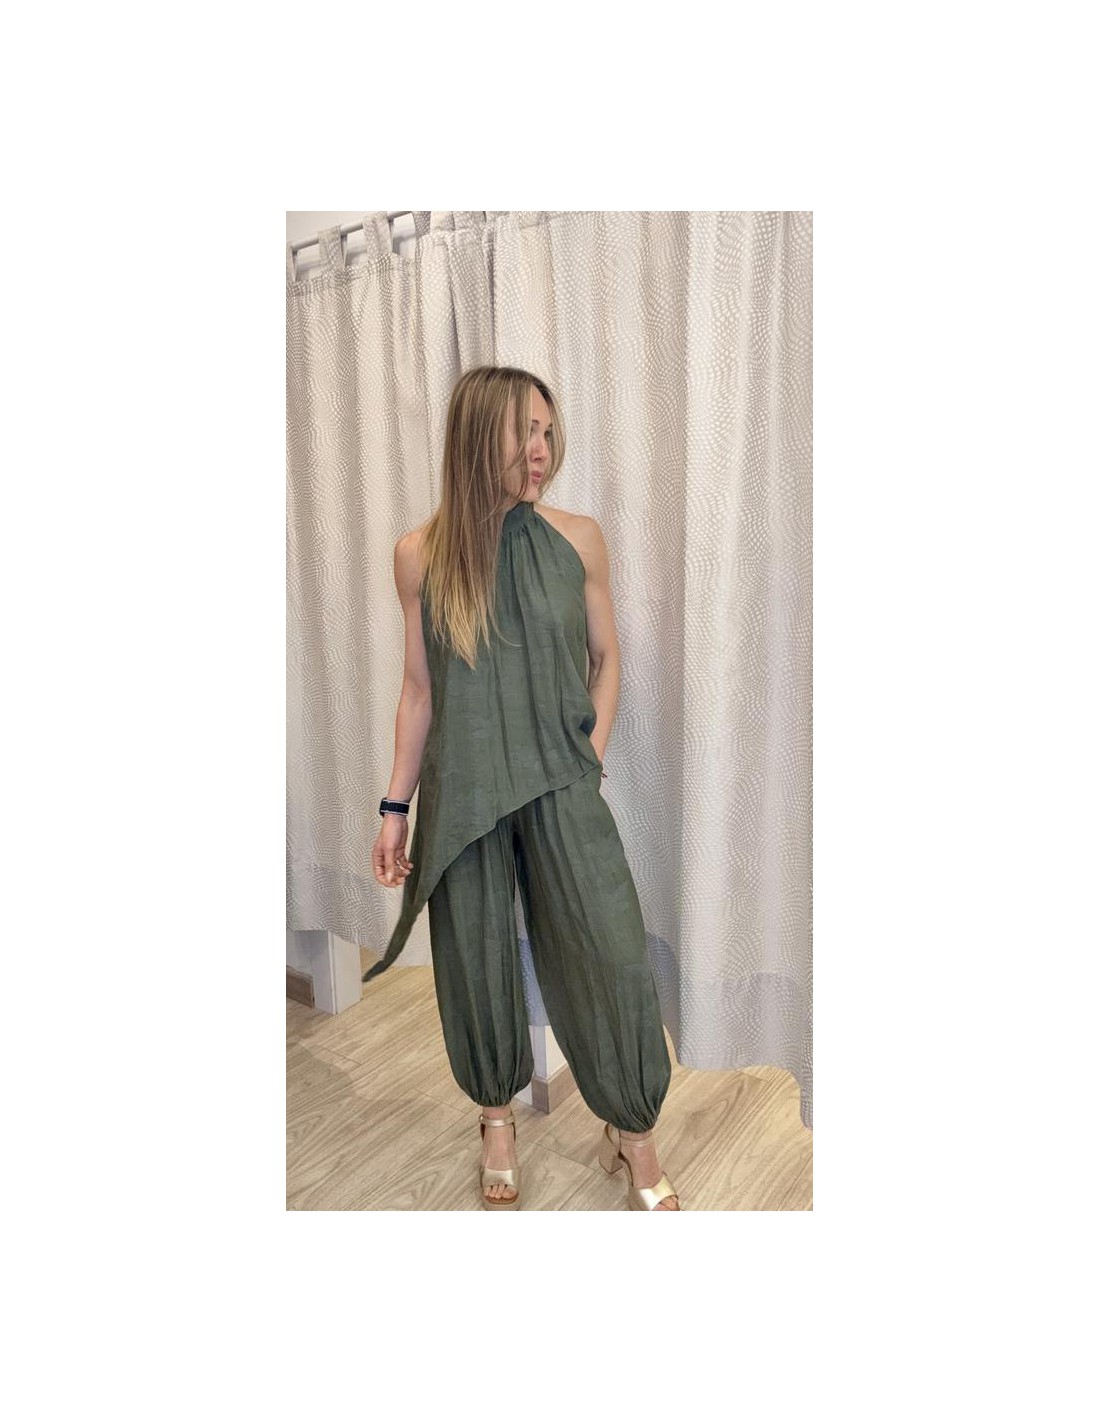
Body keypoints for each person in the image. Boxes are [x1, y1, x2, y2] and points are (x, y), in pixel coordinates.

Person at [366, 365, 680, 1211]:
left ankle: (633, 1132)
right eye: (522, 432)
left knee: (609, 951)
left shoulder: (578, 539)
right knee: (473, 956)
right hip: (463, 788)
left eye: (546, 431)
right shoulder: (420, 555)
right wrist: (395, 807)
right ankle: (495, 1119)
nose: (540, 450)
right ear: (477, 436)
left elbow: (607, 660)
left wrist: (589, 758)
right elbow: (420, 691)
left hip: (559, 780)